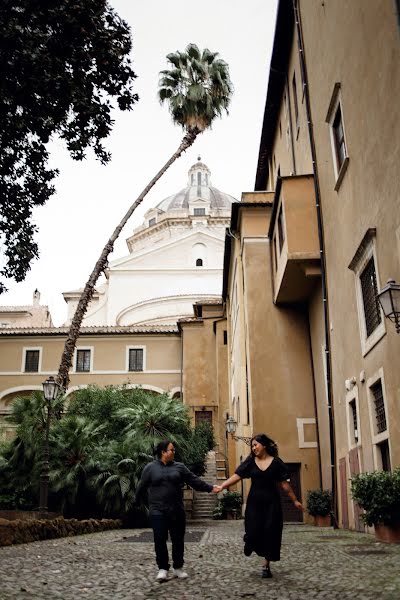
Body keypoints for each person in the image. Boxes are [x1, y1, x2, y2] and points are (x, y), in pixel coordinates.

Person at [216, 433, 303, 579]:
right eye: (252, 446)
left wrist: (294, 500)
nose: (253, 448)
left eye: (256, 445)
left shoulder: (276, 463)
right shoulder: (250, 462)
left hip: (272, 504)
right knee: (252, 530)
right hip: (254, 503)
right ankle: (250, 542)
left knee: (271, 532)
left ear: (264, 445)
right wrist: (222, 486)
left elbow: (284, 484)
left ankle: (266, 565)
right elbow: (237, 476)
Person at [135, 439, 220, 582]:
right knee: (160, 539)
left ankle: (178, 567)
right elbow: (141, 487)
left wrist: (210, 488)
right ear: (163, 452)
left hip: (176, 510)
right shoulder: (150, 468)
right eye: (171, 450)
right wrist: (139, 504)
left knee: (178, 540)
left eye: (173, 450)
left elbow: (194, 481)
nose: (174, 452)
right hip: (157, 510)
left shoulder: (180, 467)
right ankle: (162, 568)